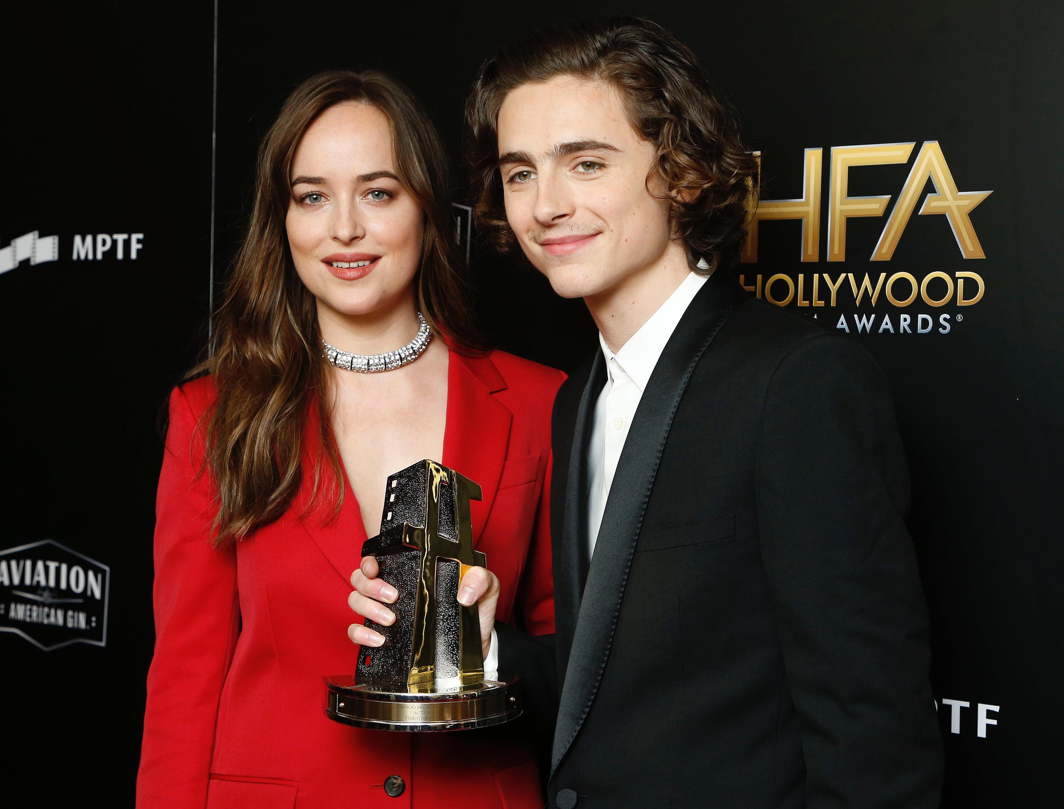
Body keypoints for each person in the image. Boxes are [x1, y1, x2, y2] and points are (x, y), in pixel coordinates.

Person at [351, 17, 943, 809]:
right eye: (521, 173)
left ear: (682, 172)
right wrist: (482, 644)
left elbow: (870, 731)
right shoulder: (579, 397)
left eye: (586, 163)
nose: (547, 205)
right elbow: (621, 686)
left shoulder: (796, 384)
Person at [137, 69, 563, 809]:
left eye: (378, 192)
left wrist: (492, 644)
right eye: (311, 196)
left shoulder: (539, 402)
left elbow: (583, 672)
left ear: (428, 208)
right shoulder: (214, 413)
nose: (343, 229)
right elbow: (184, 676)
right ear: (283, 220)